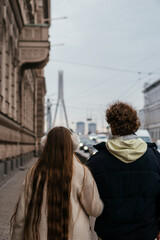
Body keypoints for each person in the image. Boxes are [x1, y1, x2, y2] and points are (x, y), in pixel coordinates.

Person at [11, 126, 103, 240]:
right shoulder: (82, 172)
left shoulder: (35, 172)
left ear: (46, 145)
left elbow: (21, 214)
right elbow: (95, 209)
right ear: (72, 145)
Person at [87, 101, 160, 240]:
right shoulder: (155, 159)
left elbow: (89, 203)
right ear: (135, 125)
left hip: (109, 234)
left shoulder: (96, 163)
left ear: (112, 125)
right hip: (146, 233)